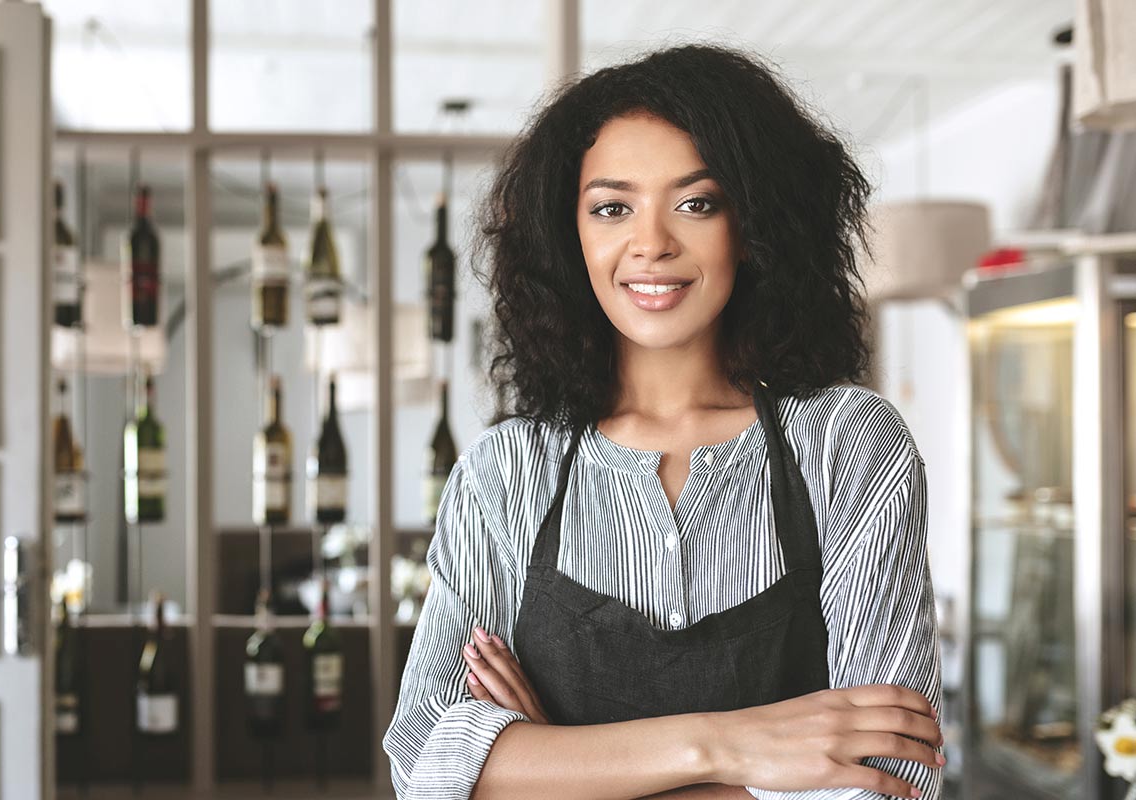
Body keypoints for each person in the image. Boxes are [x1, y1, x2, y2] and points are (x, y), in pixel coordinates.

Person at [383, 42, 942, 800]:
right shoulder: (506, 473)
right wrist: (728, 747)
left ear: (752, 225)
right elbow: (426, 766)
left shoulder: (849, 446)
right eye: (612, 208)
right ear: (568, 234)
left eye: (696, 202)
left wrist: (553, 764)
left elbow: (890, 781)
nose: (651, 244)